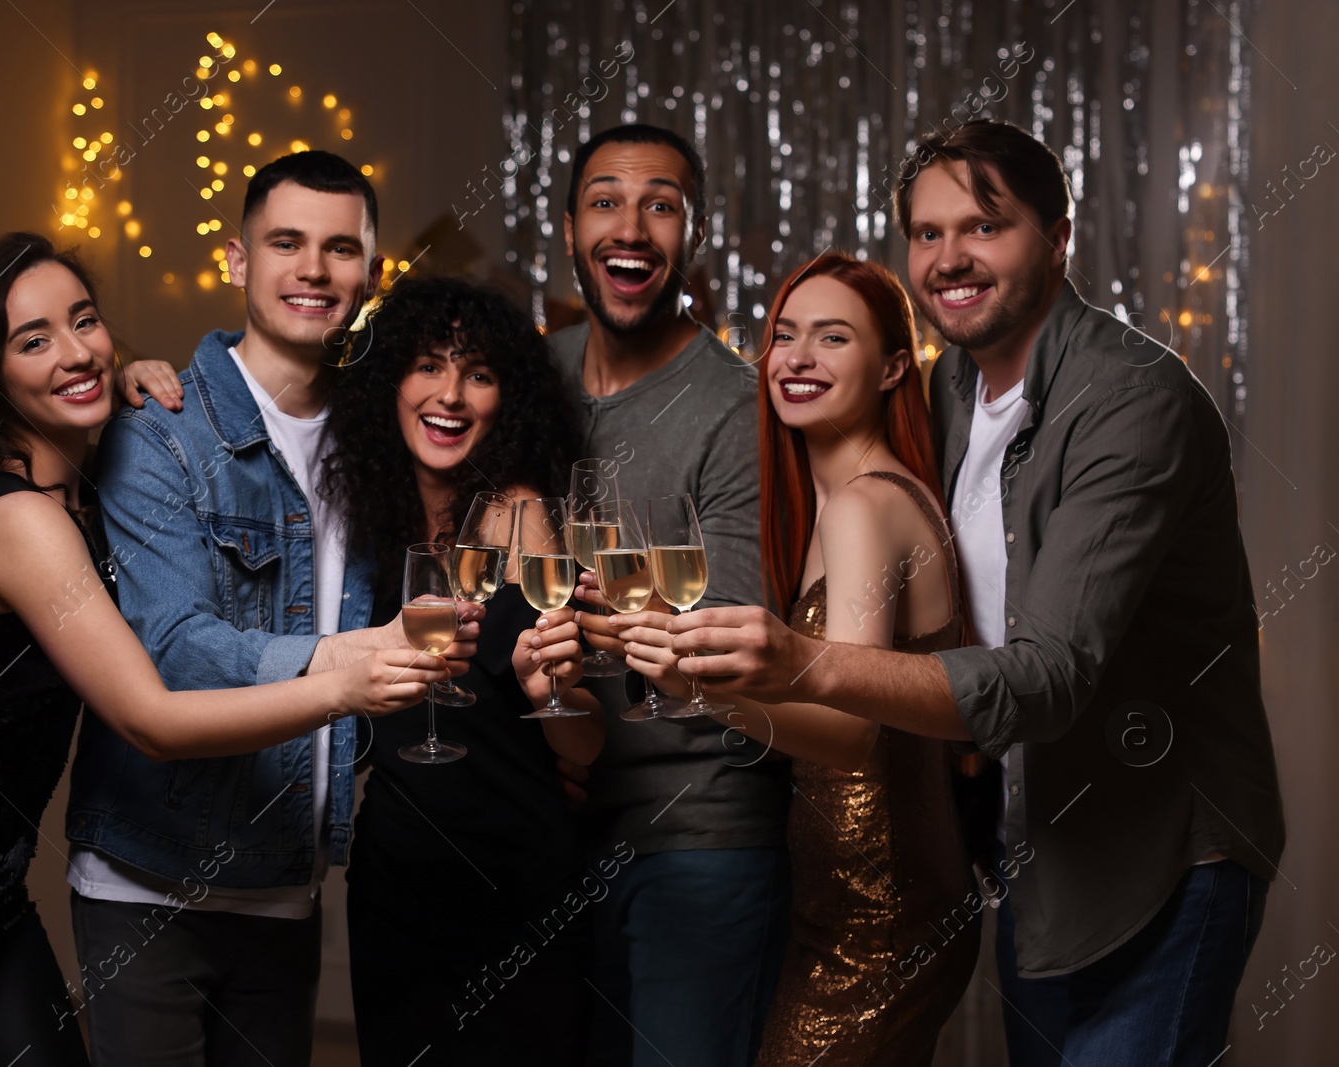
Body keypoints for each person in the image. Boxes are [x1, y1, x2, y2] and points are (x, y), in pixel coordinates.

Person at [664, 118, 1285, 1065]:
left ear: (1059, 236)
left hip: (1162, 858)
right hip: (1033, 857)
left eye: (984, 226)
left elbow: (1047, 679)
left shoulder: (1133, 401)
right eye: (926, 232)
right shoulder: (944, 392)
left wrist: (801, 659)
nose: (950, 257)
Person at [0, 232, 454, 1066]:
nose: (74, 351)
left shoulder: (78, 481)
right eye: (34, 339)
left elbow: (106, 389)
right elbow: (151, 719)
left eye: (84, 321)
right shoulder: (23, 520)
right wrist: (347, 681)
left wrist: (126, 380)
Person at [62, 151, 480, 1065]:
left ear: (369, 273)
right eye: (286, 242)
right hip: (150, 880)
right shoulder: (160, 429)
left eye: (340, 249)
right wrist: (350, 665)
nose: (314, 270)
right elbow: (173, 651)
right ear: (236, 259)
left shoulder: (380, 435)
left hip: (290, 880)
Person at [617, 251, 980, 1064]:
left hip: (879, 914)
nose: (797, 358)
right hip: (856, 900)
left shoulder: (863, 503)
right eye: (783, 335)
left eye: (832, 337)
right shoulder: (851, 495)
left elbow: (852, 736)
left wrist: (694, 687)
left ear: (893, 368)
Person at [550, 122, 791, 1067]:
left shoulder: (737, 404)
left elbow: (728, 634)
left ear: (691, 234)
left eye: (662, 205)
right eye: (607, 200)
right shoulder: (531, 377)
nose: (633, 226)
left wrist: (591, 621)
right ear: (571, 228)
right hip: (562, 829)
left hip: (702, 832)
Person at [323, 274, 602, 1065]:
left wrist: (559, 690)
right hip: (397, 884)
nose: (450, 393)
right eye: (429, 365)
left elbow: (582, 747)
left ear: (505, 398)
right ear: (391, 382)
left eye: (478, 373)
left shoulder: (519, 513)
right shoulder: (361, 528)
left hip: (522, 886)